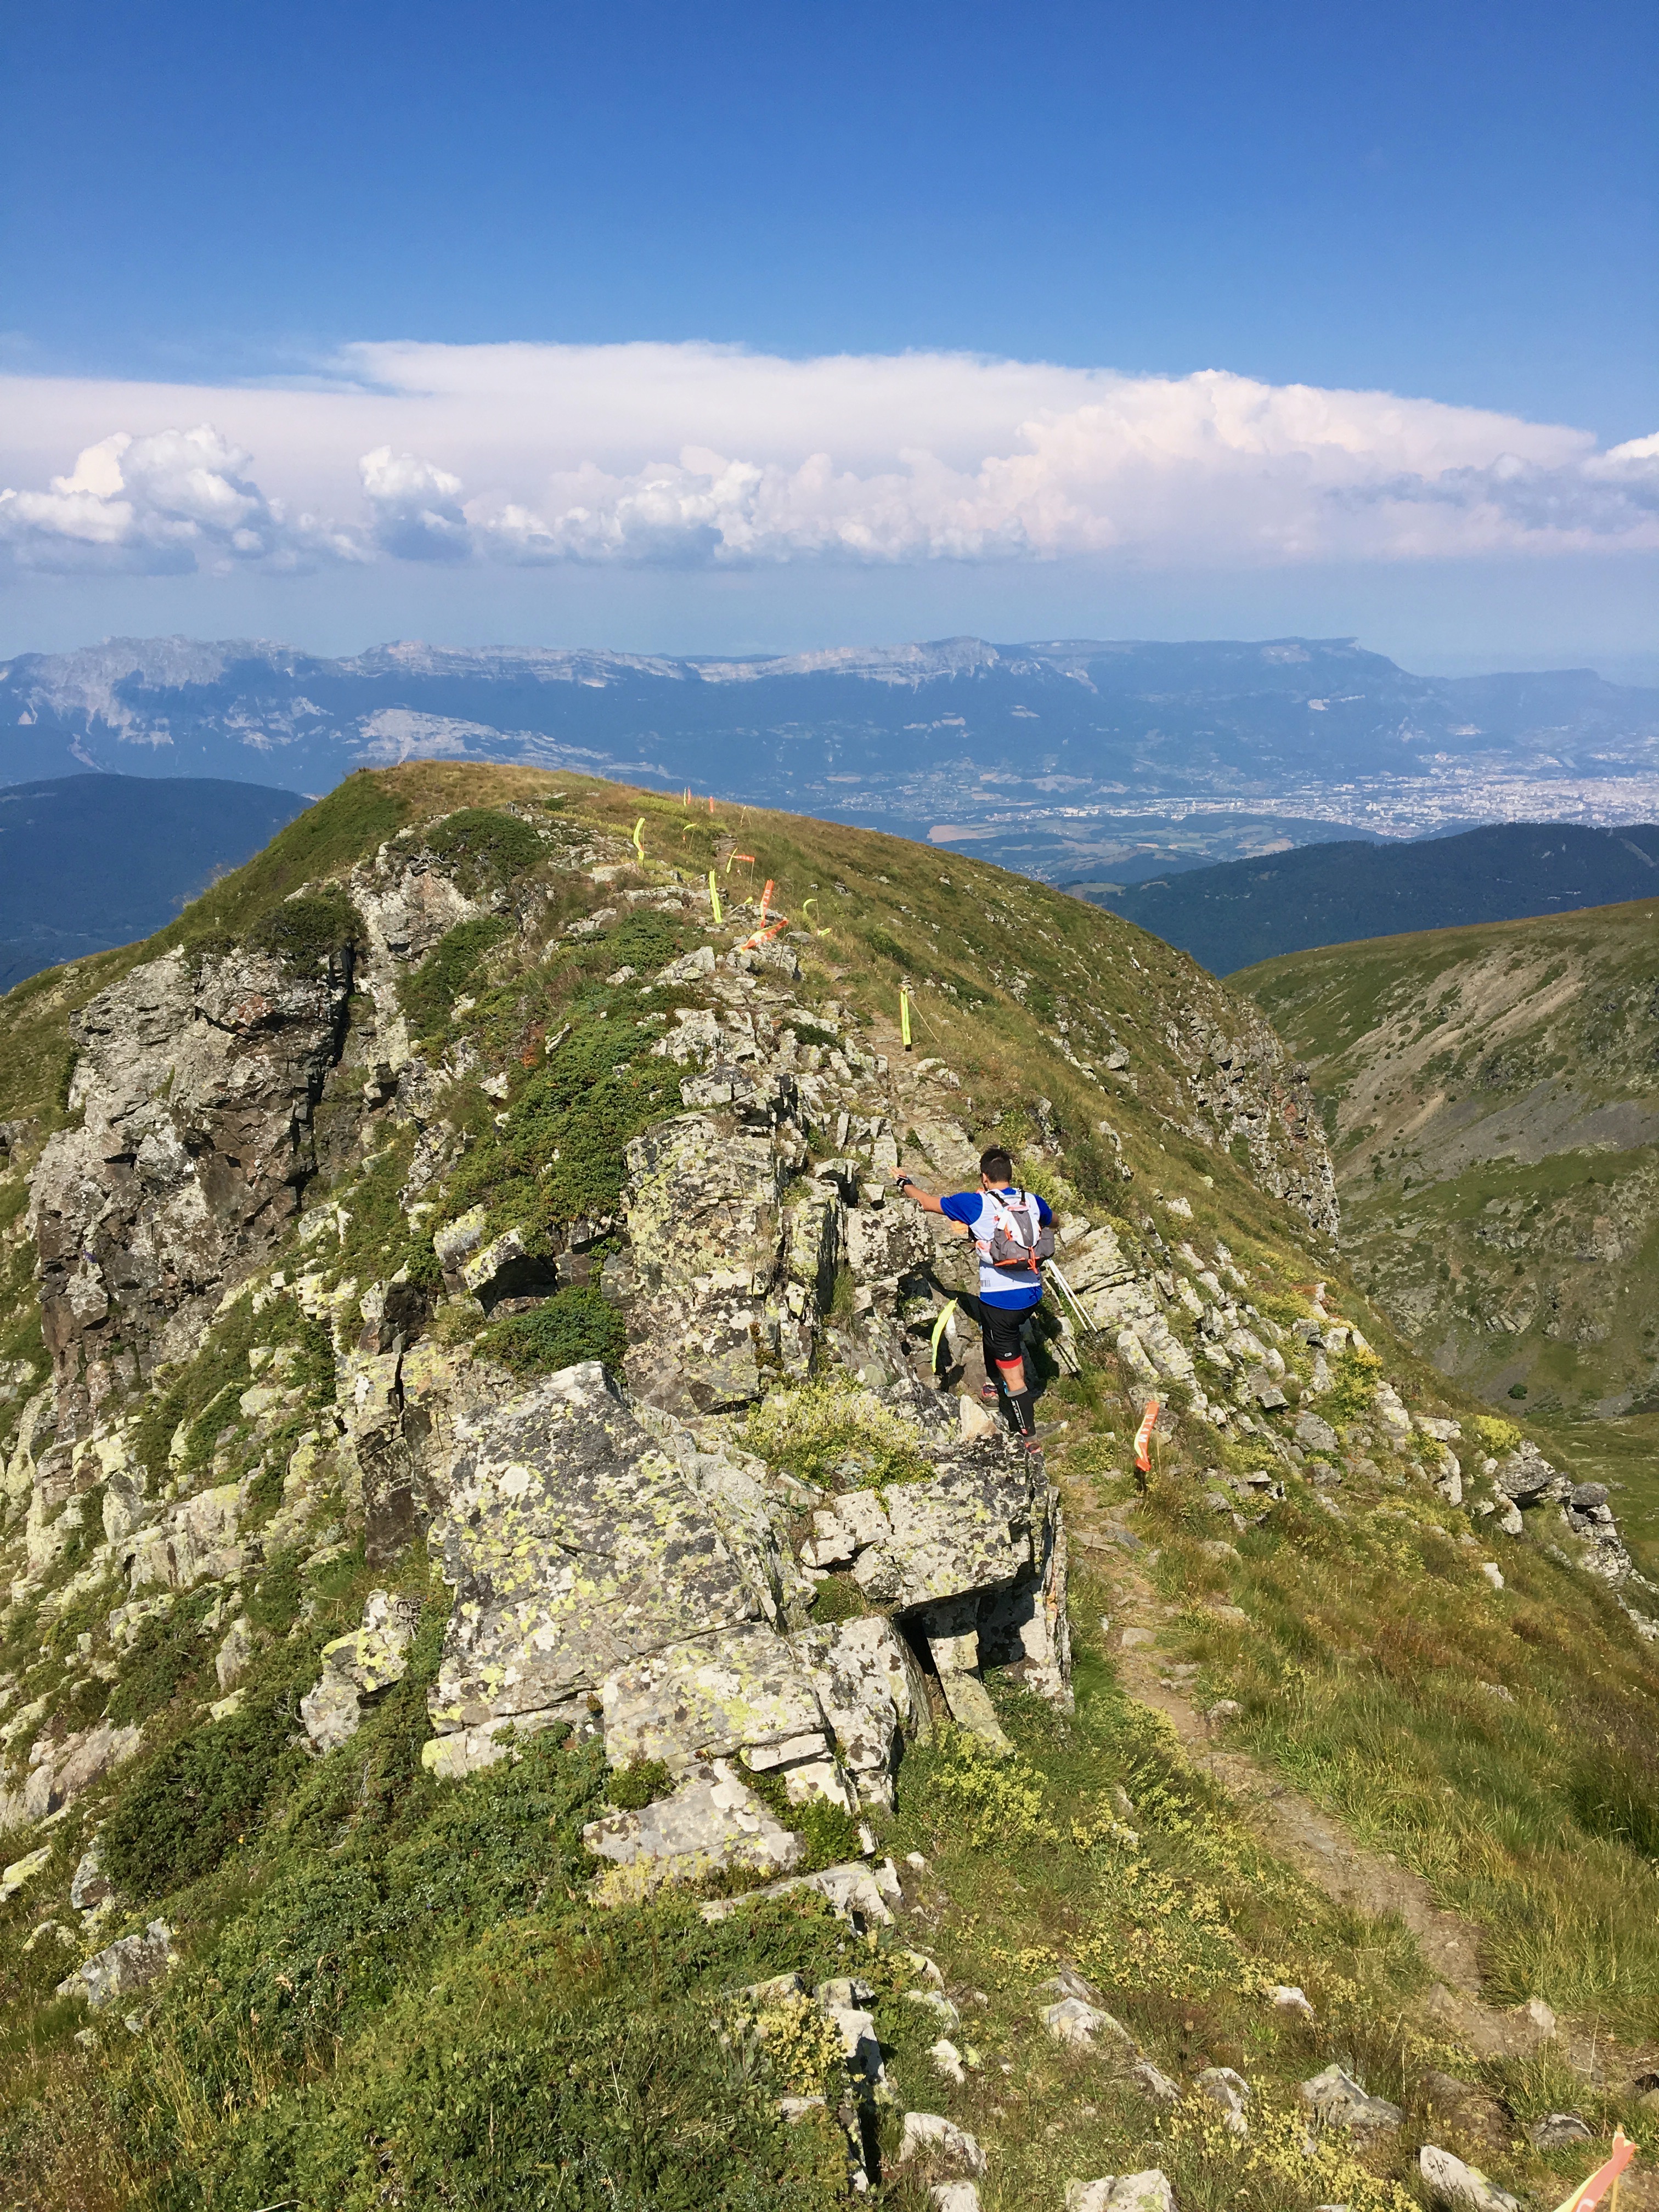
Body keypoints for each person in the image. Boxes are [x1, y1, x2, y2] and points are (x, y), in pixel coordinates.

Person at [891, 1146, 1054, 1449]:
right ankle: (993, 1386)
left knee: (1012, 1369)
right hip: (1032, 1293)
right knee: (993, 1333)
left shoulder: (974, 1203)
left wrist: (904, 1182)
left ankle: (1028, 1437)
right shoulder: (1031, 1200)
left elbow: (926, 1202)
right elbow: (1052, 1221)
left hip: (1001, 1301)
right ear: (1010, 1175)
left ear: (984, 1177)